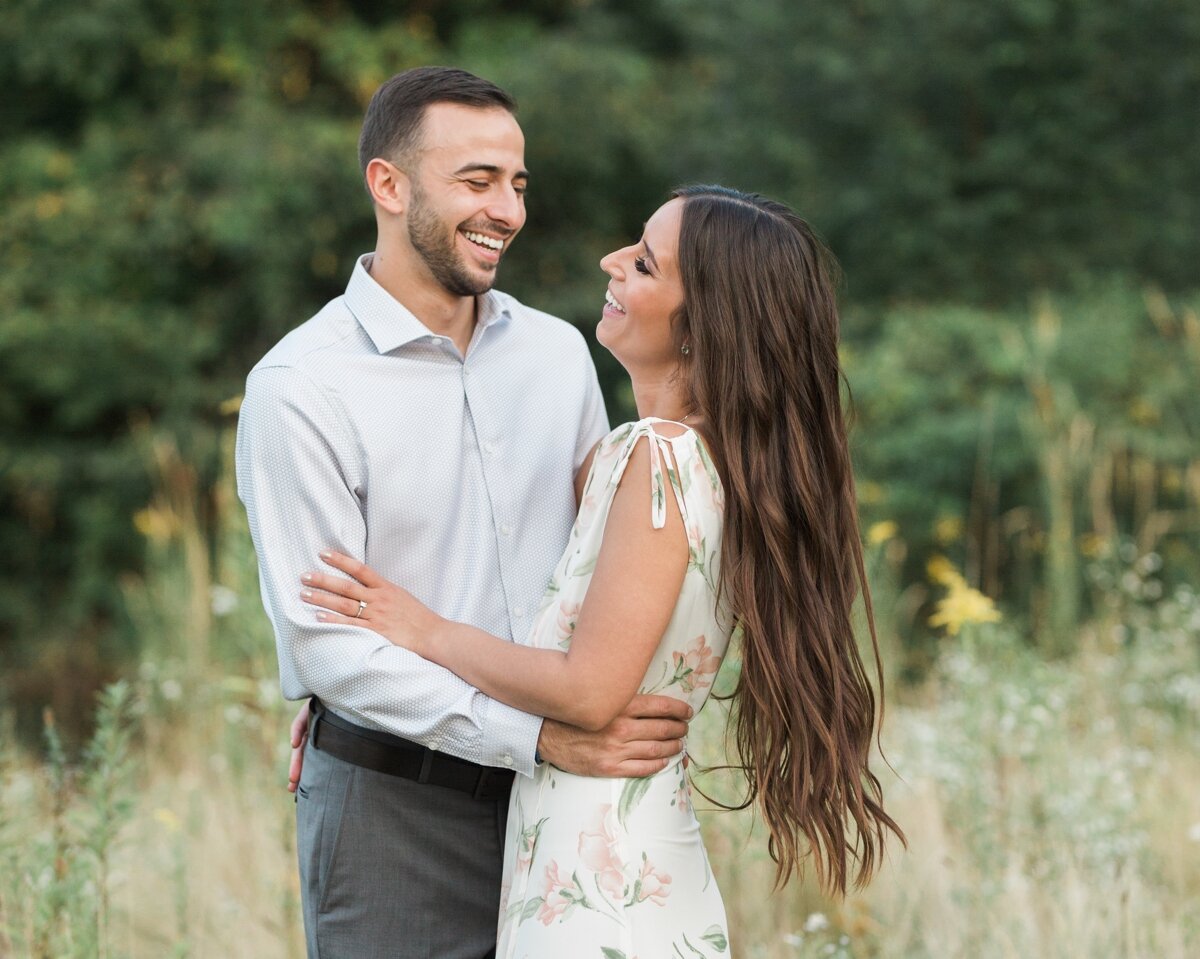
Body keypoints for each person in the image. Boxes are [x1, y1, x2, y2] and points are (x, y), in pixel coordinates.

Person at [300, 185, 905, 957]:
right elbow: (526, 578)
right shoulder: (683, 460)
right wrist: (360, 695)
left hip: (598, 877)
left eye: (645, 263)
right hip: (621, 853)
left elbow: (589, 689)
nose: (611, 262)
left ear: (702, 325)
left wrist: (420, 630)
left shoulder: (658, 461)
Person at [235, 67, 692, 959]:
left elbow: (604, 558)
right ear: (389, 184)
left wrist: (559, 744)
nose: (509, 210)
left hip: (568, 802)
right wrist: (540, 737)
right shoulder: (301, 389)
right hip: (395, 813)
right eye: (477, 181)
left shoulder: (559, 355)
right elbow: (329, 647)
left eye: (517, 183)